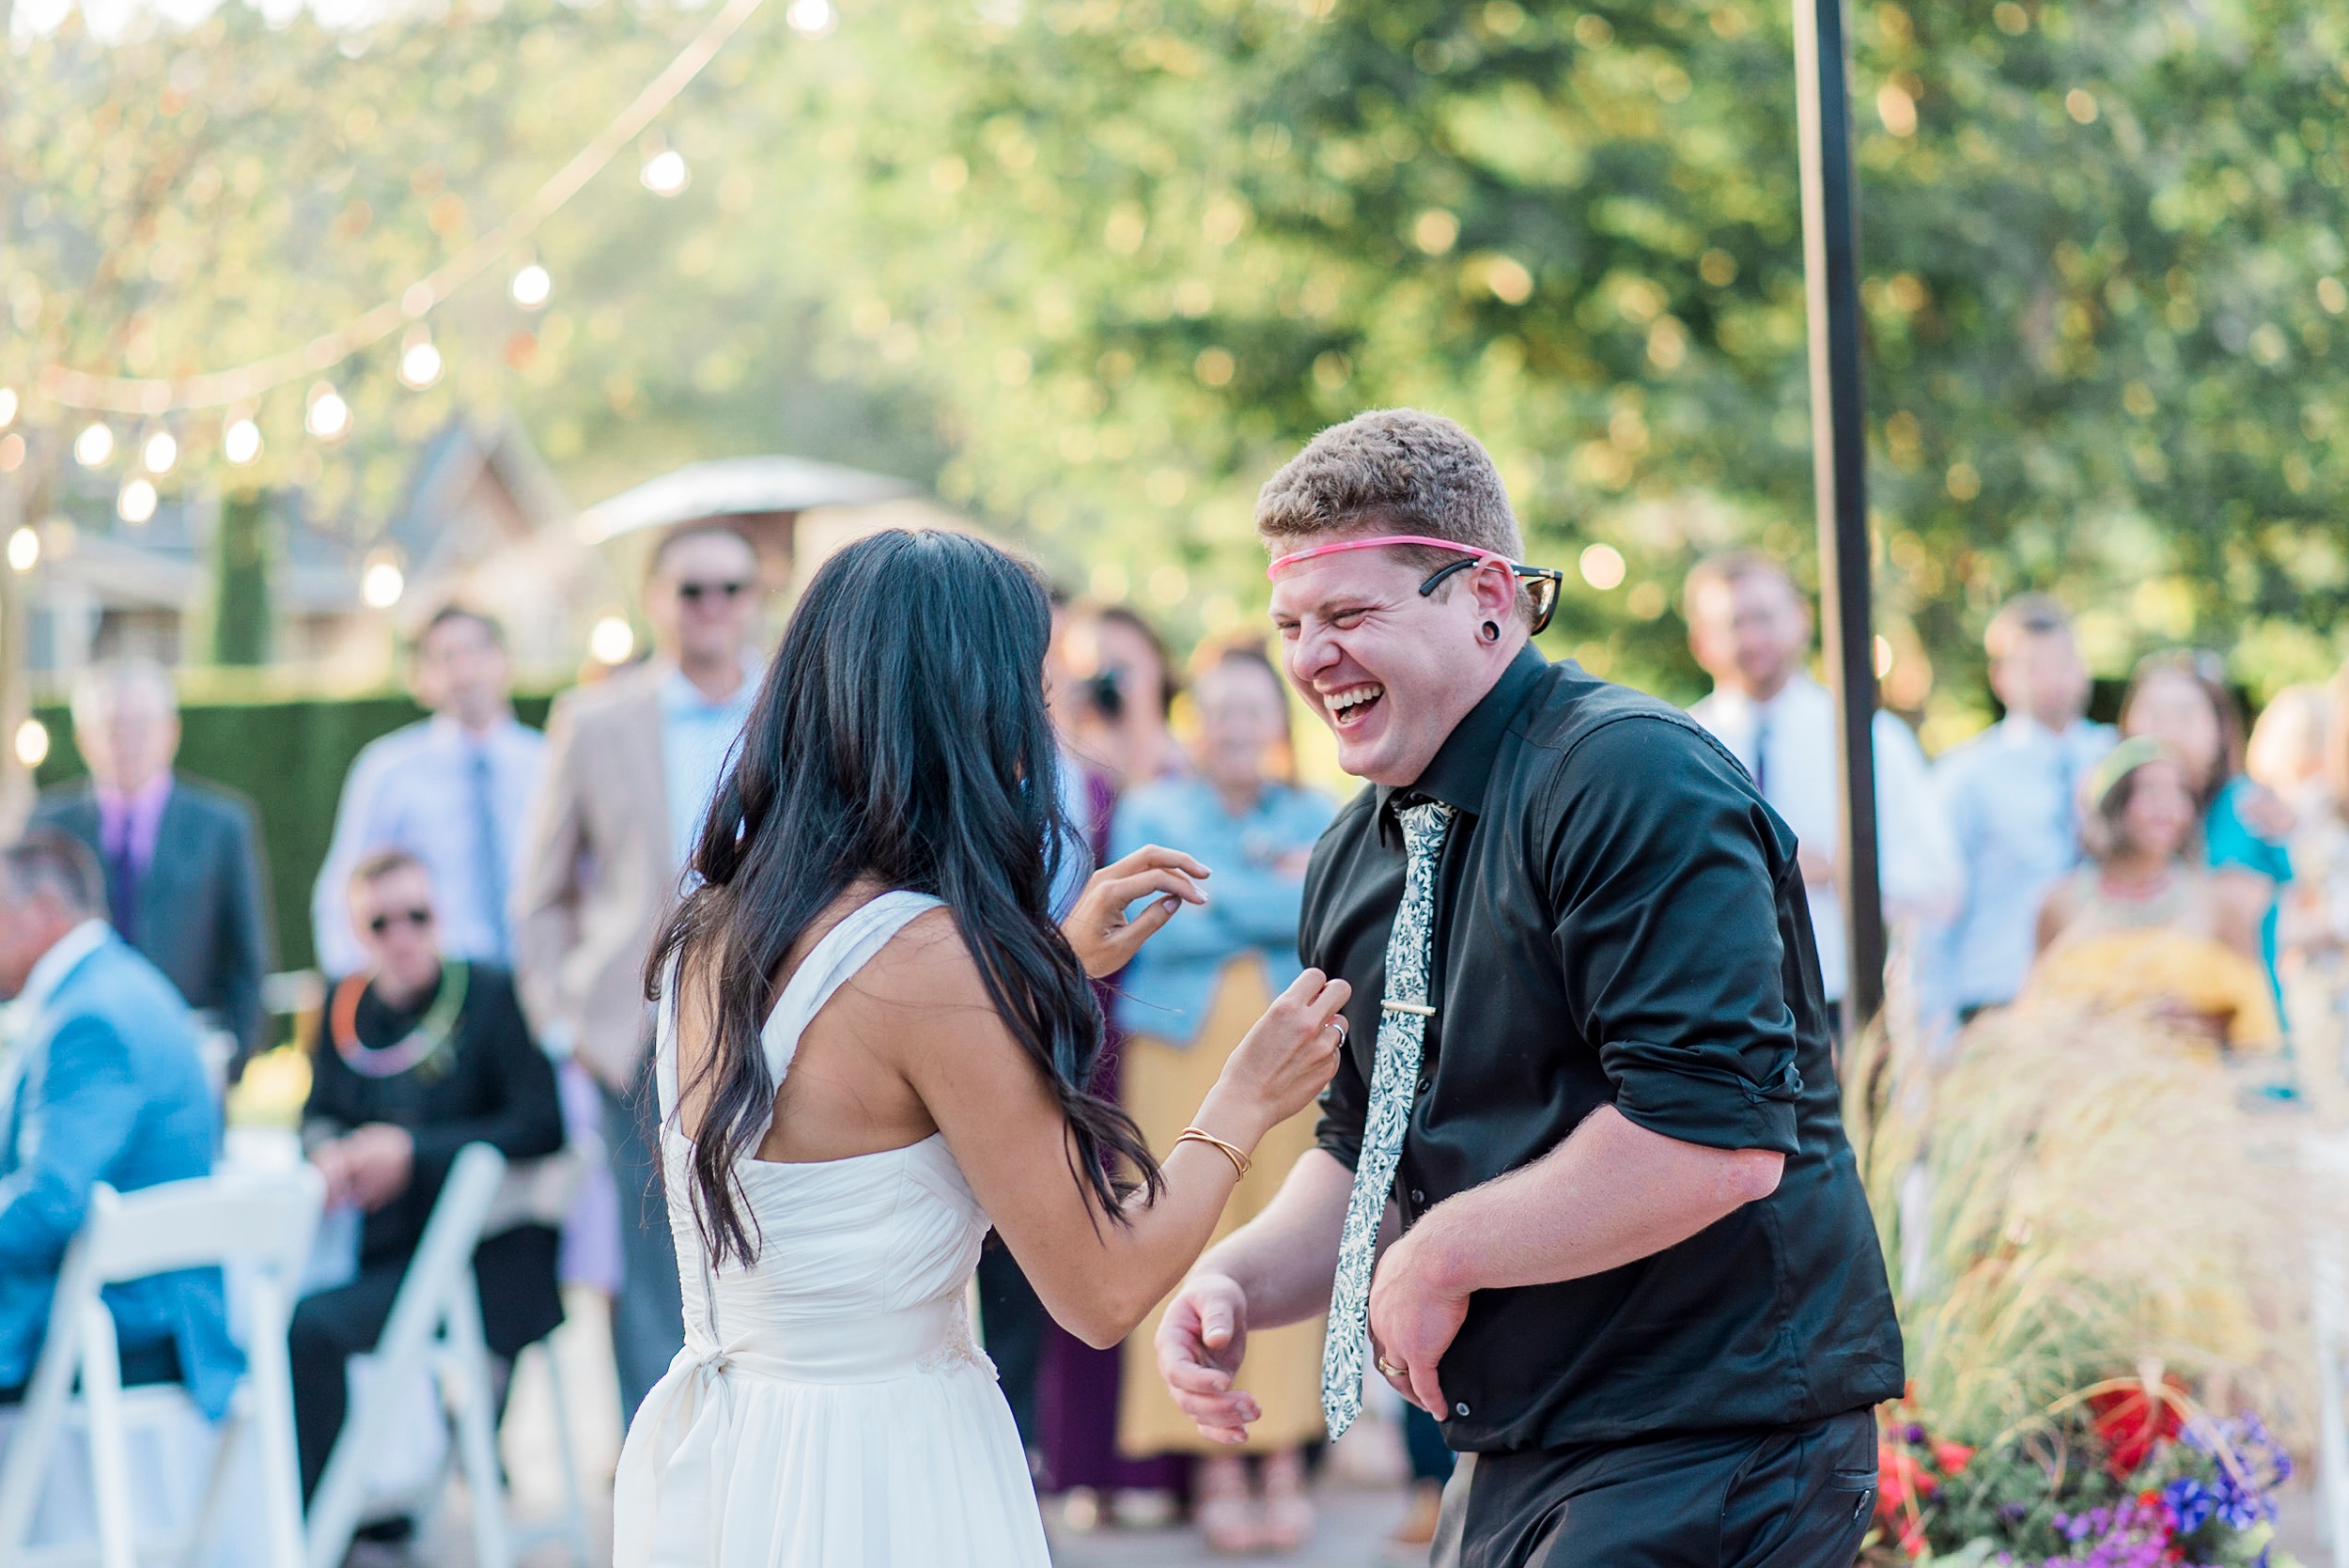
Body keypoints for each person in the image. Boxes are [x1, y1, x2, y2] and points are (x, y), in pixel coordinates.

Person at [1155, 410, 1903, 1568]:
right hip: (1517, 1441)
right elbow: (1369, 1157)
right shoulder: (1352, 854)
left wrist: (1438, 1255)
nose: (1309, 658)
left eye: (1351, 615)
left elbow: (1714, 1142)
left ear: (1488, 599)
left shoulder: (1629, 773)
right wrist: (1238, 1278)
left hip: (1714, 1429)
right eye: (1293, 624)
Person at [609, 528, 1350, 1568]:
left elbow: (855, 1077)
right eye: (1027, 692)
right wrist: (1242, 1098)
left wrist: (1044, 963)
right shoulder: (928, 963)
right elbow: (1101, 1292)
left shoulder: (713, 925)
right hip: (879, 1474)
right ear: (968, 714)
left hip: (739, 1462)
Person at [515, 522, 768, 1424]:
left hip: (775, 1007)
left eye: (730, 588)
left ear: (754, 598)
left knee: (770, 1227)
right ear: (656, 599)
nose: (712, 607)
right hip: (638, 1021)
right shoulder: (597, 718)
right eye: (692, 589)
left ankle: (756, 1432)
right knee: (652, 1246)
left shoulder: (794, 709)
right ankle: (658, 1444)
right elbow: (540, 892)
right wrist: (561, 1016)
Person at [1111, 643, 1336, 1554]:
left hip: (1289, 1069)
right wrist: (1264, 887)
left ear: (1278, 726)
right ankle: (1213, 1460)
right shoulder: (1151, 806)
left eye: (1255, 710)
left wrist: (1223, 889)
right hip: (1177, 1060)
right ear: (1191, 726)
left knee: (1286, 1237)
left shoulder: (1317, 812)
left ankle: (1282, 1451)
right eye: (1220, 712)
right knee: (1183, 1239)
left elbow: (1318, 911)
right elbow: (1157, 925)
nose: (1238, 728)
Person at [291, 849, 565, 1500]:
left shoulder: (490, 994)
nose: (402, 935)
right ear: (359, 932)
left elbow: (541, 1123)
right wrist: (330, 1148)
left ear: (439, 915)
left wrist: (414, 1150)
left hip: (480, 1259)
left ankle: (332, 1521)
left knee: (309, 1329)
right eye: (380, 922)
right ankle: (367, 1507)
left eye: (416, 915)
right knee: (281, 1309)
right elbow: (315, 1114)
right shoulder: (344, 1006)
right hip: (380, 1249)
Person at [0, 832, 241, 1418]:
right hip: (146, 1316)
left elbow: (50, 1202)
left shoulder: (88, 1017)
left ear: (44, 912)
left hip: (123, 1329)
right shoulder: (124, 985)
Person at [1684, 551, 1962, 1029]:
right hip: (1718, 1010)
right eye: (1733, 623)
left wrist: (1836, 869)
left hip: (1845, 1001)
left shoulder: (1871, 739)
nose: (1752, 637)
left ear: (1801, 620)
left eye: (1764, 617)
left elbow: (1941, 888)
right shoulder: (1679, 746)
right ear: (1700, 641)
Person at [32, 660, 272, 1076]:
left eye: (141, 726)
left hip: (186, 1057)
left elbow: (248, 957)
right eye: (112, 728)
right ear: (83, 739)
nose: (127, 742)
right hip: (77, 1060)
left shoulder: (221, 825)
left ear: (171, 732)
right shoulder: (50, 826)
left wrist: (230, 1062)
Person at [311, 607, 546, 980]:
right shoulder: (388, 771)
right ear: (420, 678)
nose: (463, 670)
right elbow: (343, 888)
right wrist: (361, 989)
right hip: (440, 990)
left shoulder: (548, 764)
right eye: (444, 657)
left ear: (506, 661)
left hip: (541, 983)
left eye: (476, 651)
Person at [1931, 594, 2116, 1026]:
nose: (2053, 680)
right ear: (2001, 678)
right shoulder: (1965, 776)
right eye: (2033, 667)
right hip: (2000, 998)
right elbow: (1936, 914)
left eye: (2065, 663)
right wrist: (1932, 1034)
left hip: (2104, 999)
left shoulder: (2116, 757)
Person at [2027, 738, 2279, 1050]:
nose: (2168, 807)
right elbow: (2033, 1026)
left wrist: (2199, 1023)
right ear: (2113, 802)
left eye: (2180, 792)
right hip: (2088, 1090)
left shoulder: (2218, 906)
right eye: (2149, 791)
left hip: (2190, 1090)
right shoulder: (2058, 905)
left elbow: (2256, 1033)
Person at [2120, 652, 2294, 1002]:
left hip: (2237, 1029)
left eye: (2185, 716)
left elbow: (2227, 927)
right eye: (2153, 713)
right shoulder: (2113, 818)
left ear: (2219, 731)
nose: (2166, 729)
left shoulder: (2247, 809)